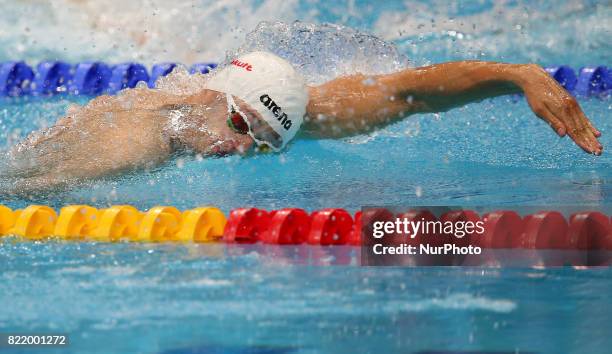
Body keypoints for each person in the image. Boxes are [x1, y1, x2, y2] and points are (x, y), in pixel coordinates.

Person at [2, 51, 602, 194]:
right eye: (238, 126)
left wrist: (516, 74)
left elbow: (408, 93)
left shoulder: (292, 112)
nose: (238, 149)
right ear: (215, 92)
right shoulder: (130, 145)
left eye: (261, 145)